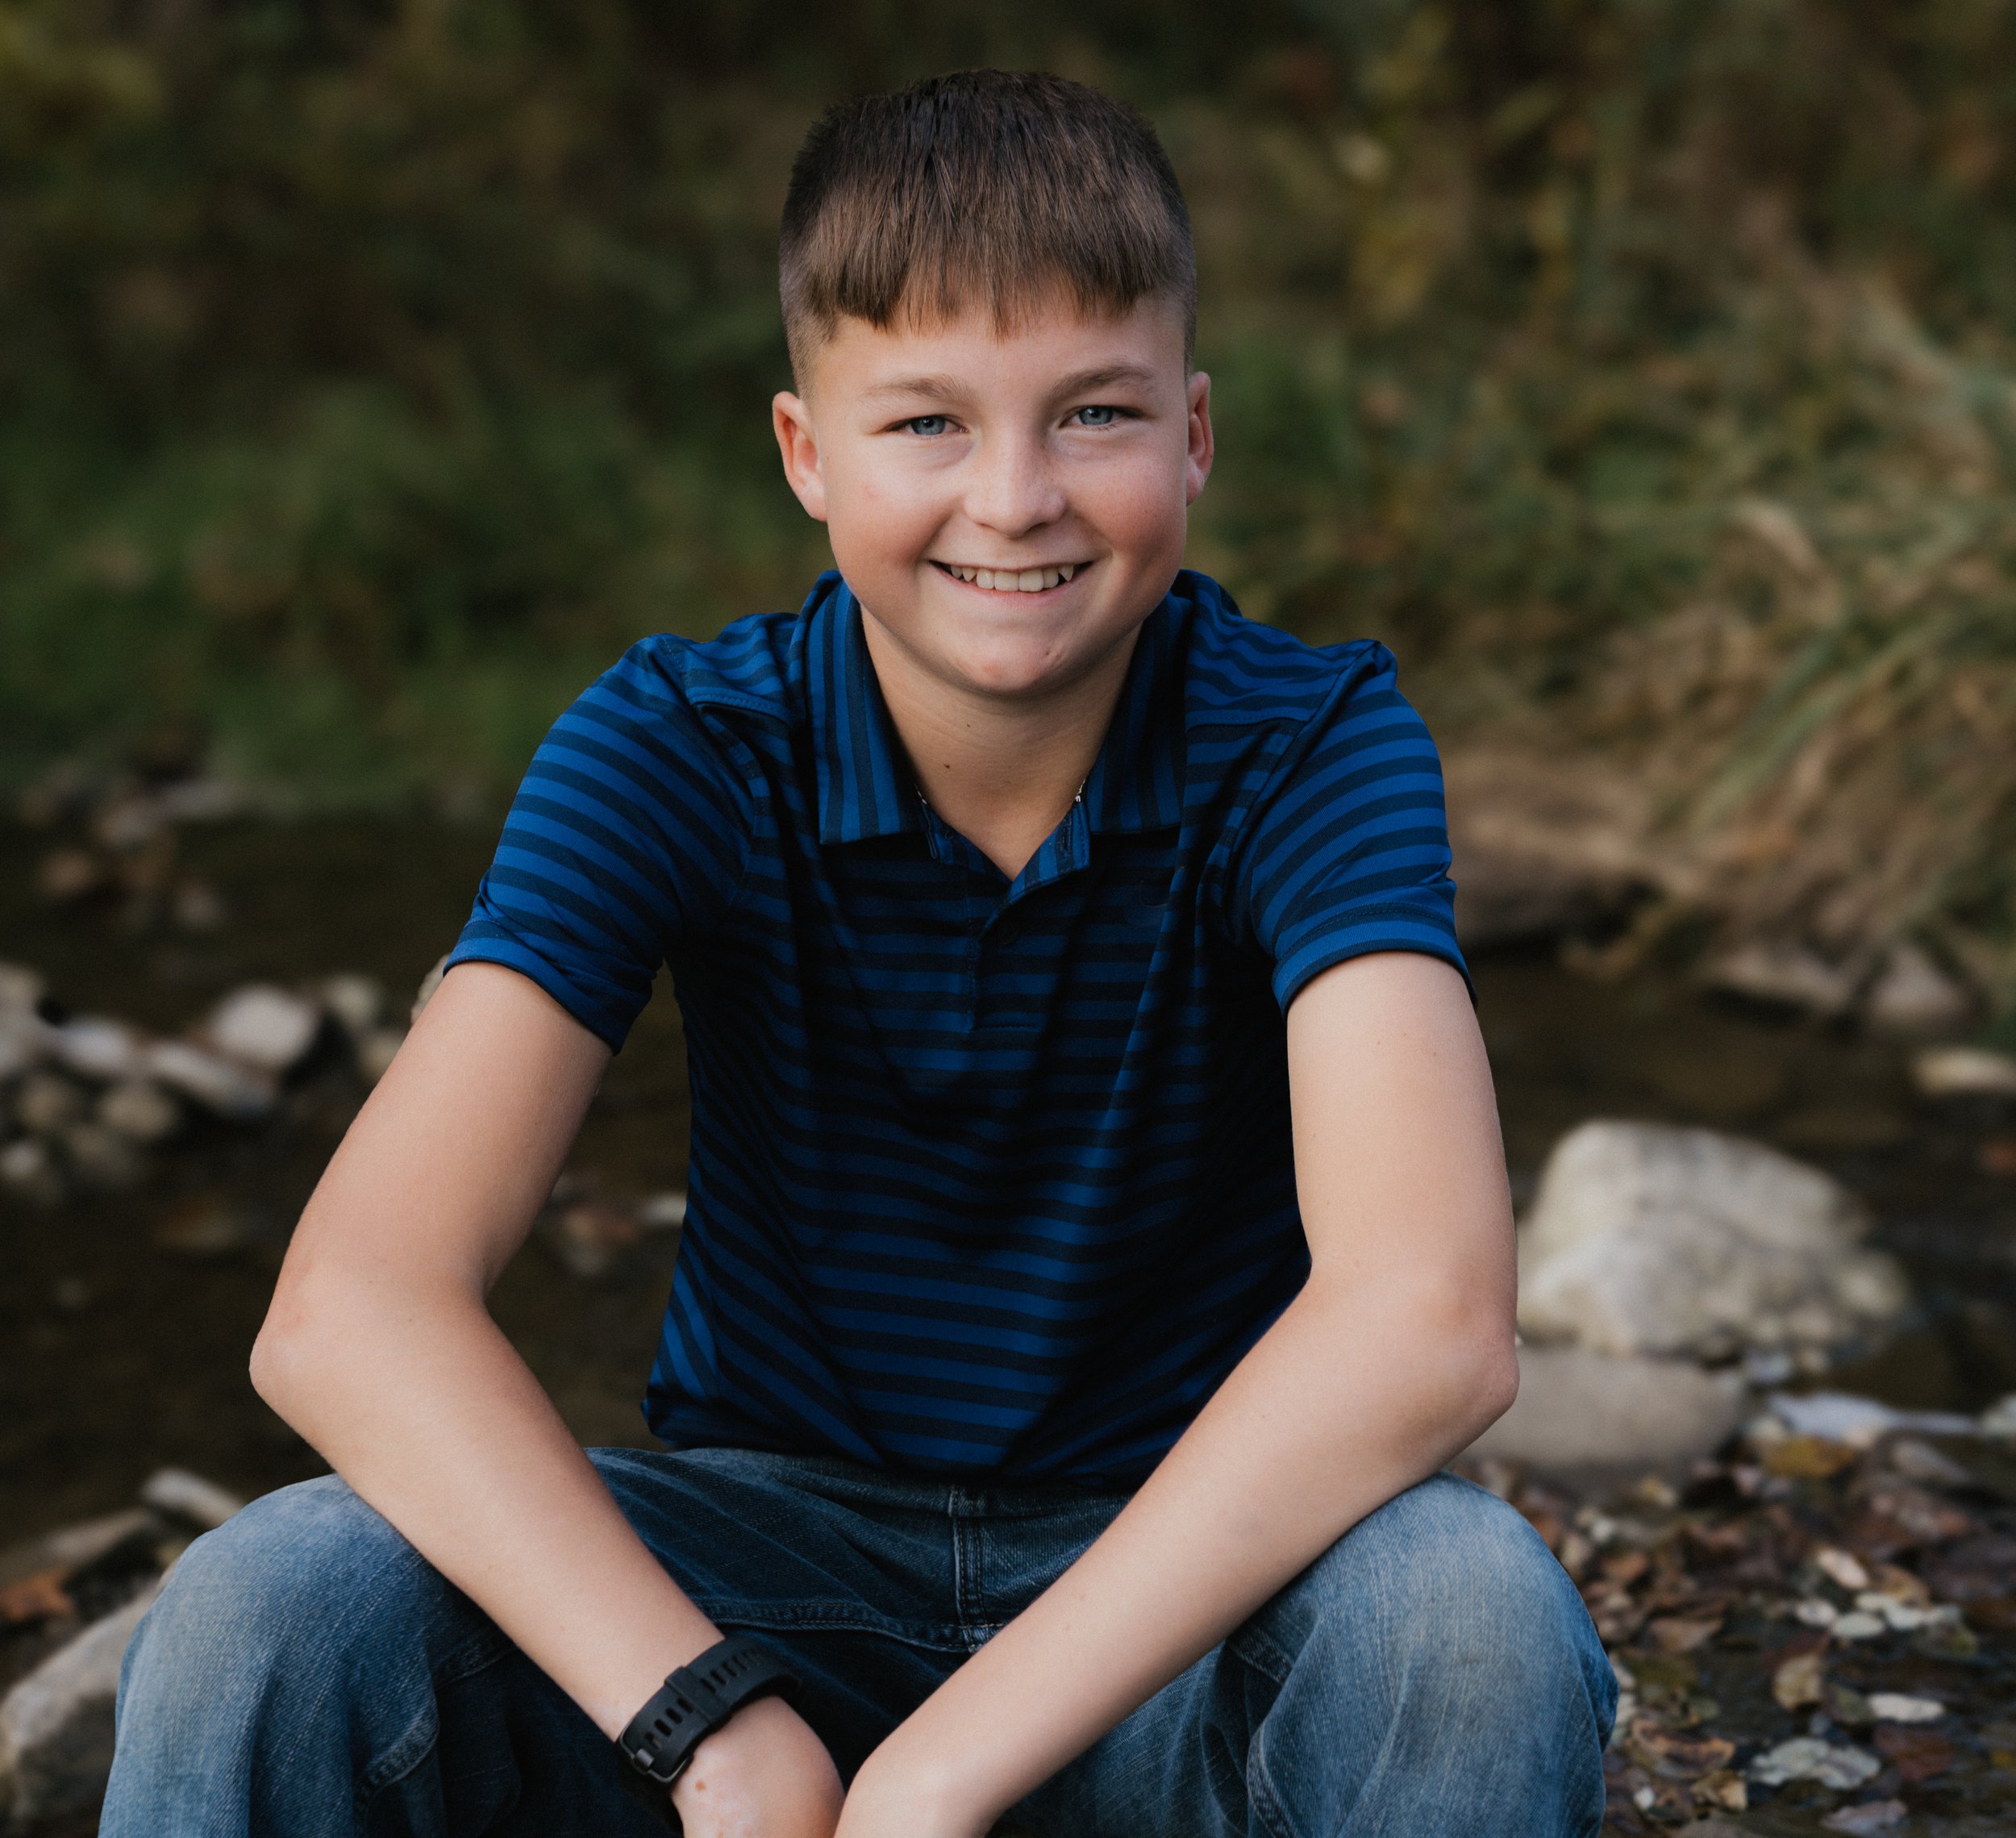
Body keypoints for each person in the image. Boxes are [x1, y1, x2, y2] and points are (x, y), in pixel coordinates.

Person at [103, 69, 1613, 1838]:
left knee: (1467, 1614)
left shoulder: (1309, 739)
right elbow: (350, 1311)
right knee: (265, 1602)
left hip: (1180, 1599)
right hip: (762, 1572)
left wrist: (933, 1780)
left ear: (1192, 435)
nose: (1016, 498)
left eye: (1094, 412)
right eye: (924, 426)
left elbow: (1424, 1319)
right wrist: (715, 1734)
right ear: (804, 455)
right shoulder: (679, 743)